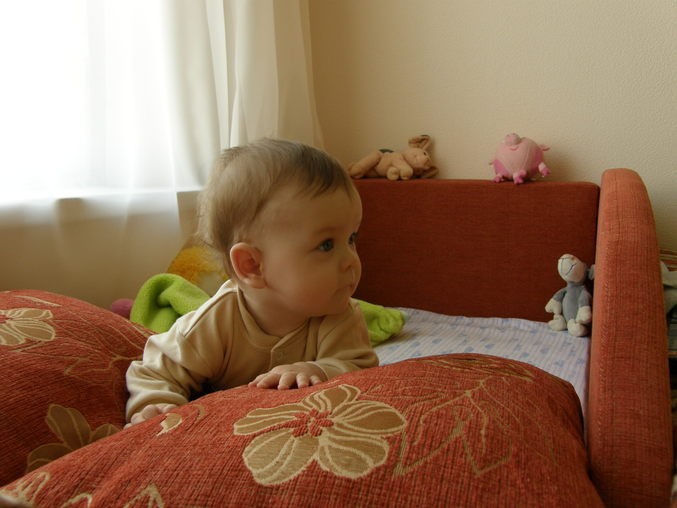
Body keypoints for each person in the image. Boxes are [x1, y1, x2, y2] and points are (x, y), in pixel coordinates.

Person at [125, 138, 378, 426]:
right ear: (252, 265)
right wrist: (157, 404)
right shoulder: (216, 321)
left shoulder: (339, 315)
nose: (351, 260)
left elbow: (363, 370)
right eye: (326, 245)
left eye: (351, 238)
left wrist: (320, 370)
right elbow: (153, 371)